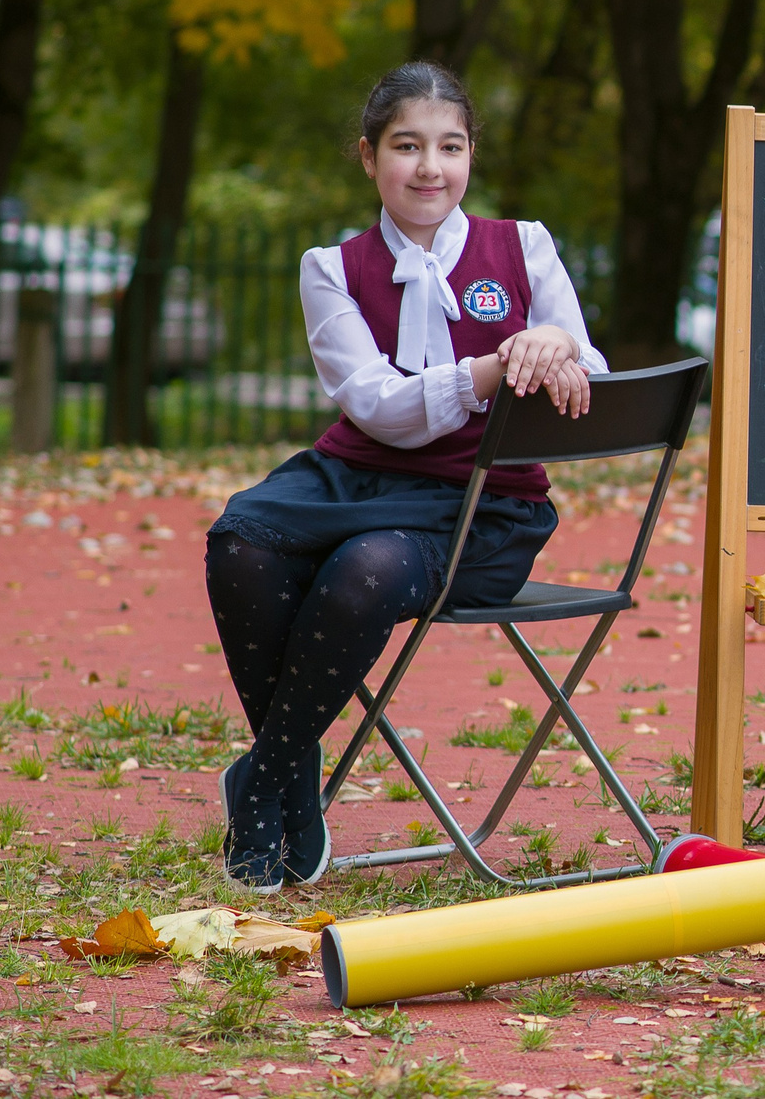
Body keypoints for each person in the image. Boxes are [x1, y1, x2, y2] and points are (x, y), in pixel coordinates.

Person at [205, 62, 604, 891]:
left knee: (366, 568)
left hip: (480, 506)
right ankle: (293, 778)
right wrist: (494, 368)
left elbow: (587, 372)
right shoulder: (332, 268)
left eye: (450, 147)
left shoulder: (522, 246)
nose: (431, 167)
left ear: (470, 157)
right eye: (407, 146)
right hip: (357, 476)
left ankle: (264, 788)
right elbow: (380, 408)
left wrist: (560, 345)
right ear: (368, 156)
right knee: (241, 540)